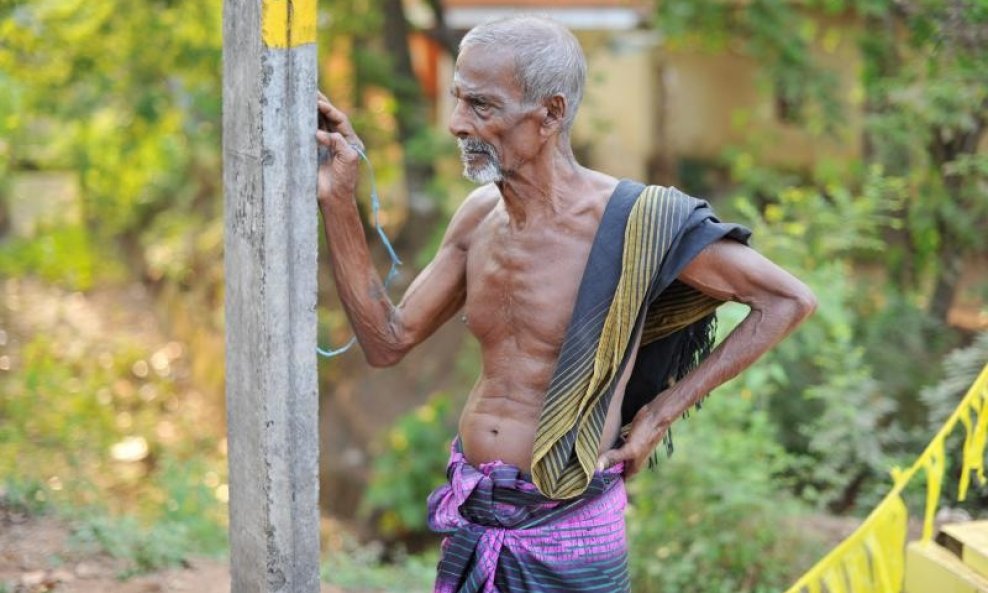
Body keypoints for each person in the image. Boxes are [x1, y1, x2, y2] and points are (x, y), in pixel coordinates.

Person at [315, 14, 816, 593]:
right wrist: (339, 200)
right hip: (477, 512)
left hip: (570, 527)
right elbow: (387, 340)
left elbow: (787, 299)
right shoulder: (479, 218)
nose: (456, 124)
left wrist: (658, 415)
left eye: (482, 106)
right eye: (457, 100)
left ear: (551, 113)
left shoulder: (634, 224)